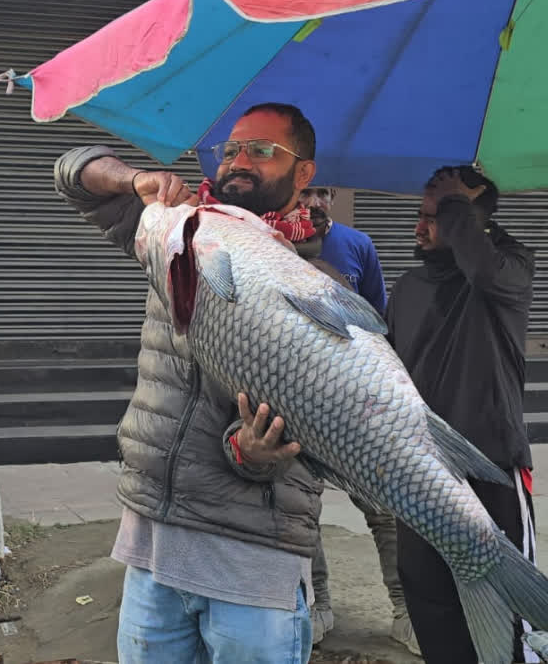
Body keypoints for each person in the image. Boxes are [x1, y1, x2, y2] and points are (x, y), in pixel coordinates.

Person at [55, 102, 334, 663]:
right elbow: (73, 173)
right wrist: (139, 180)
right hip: (154, 542)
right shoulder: (178, 231)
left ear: (304, 173)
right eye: (231, 148)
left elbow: (304, 435)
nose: (239, 161)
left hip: (252, 562)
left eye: (262, 150)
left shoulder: (315, 284)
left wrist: (255, 452)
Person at [386, 166, 537, 664]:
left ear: (473, 217)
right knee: (433, 603)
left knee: (504, 608)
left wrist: (456, 205)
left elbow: (485, 270)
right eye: (422, 215)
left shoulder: (510, 266)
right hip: (421, 474)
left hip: (491, 469)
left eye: (436, 216)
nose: (419, 227)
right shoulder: (407, 287)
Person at [297, 187, 414, 652]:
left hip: (351, 399)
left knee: (384, 508)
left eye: (323, 192)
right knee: (301, 509)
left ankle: (405, 610)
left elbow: (377, 322)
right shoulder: (262, 238)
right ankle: (317, 603)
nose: (315, 200)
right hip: (288, 395)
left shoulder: (357, 244)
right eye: (306, 192)